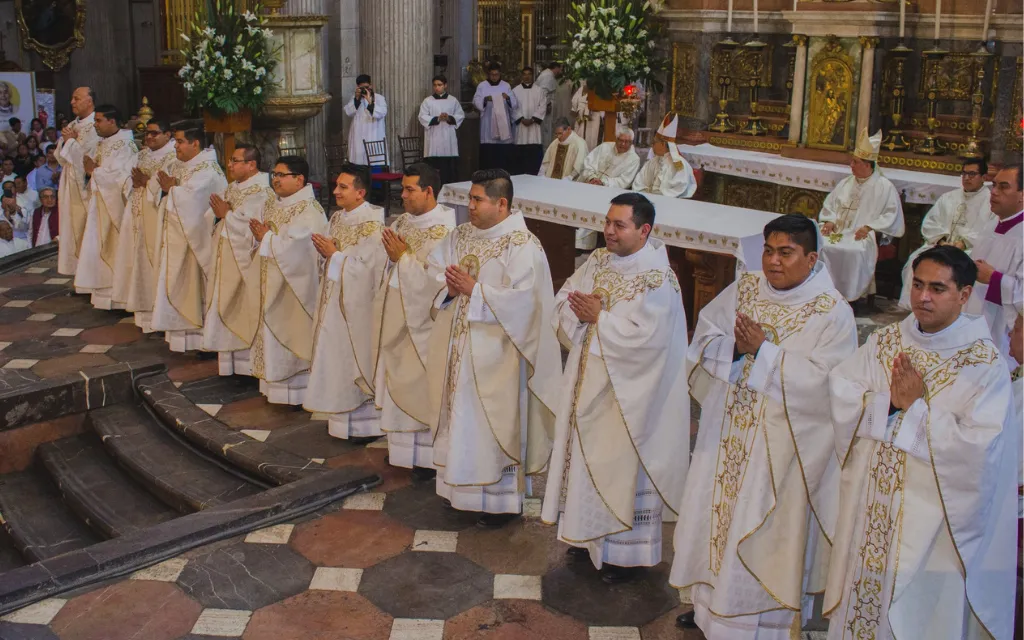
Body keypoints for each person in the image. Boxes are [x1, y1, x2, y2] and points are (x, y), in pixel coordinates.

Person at [669, 214, 857, 637]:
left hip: (781, 451)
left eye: (785, 253)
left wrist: (765, 353)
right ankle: (707, 609)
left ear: (811, 258)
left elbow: (831, 388)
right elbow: (706, 334)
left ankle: (753, 623)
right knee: (713, 517)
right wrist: (735, 348)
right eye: (769, 251)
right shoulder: (748, 286)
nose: (773, 262)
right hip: (727, 431)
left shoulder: (833, 313)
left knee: (761, 530)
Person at [826, 245, 1016, 640]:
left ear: (964, 295)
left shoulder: (984, 364)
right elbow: (843, 387)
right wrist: (888, 404)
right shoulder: (886, 340)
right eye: (917, 285)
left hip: (933, 524)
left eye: (938, 288)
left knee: (918, 617)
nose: (923, 297)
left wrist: (915, 410)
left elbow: (981, 448)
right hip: (872, 503)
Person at [542, 192, 690, 584]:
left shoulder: (658, 279)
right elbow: (564, 297)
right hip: (586, 383)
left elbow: (653, 343)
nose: (608, 231)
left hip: (628, 399)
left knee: (619, 469)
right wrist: (576, 312)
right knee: (587, 463)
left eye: (618, 225)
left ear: (644, 230)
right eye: (606, 222)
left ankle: (626, 556)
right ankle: (585, 534)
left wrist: (600, 319)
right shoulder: (597, 261)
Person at [427, 168, 561, 527]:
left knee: (491, 423)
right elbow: (435, 269)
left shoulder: (522, 245)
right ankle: (460, 489)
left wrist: (475, 291)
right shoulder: (461, 235)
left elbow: (527, 304)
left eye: (477, 199)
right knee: (460, 417)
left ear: (502, 203)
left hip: (499, 355)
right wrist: (450, 289)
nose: (469, 206)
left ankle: (499, 503)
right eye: (469, 198)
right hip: (460, 346)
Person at [371, 162, 456, 477]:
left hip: (424, 327)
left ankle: (425, 458)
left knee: (421, 385)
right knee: (397, 377)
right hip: (397, 317)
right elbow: (389, 265)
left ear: (429, 191)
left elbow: (438, 283)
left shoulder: (447, 233)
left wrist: (402, 261)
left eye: (409, 189)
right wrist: (396, 263)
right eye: (402, 188)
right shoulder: (404, 223)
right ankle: (402, 451)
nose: (402, 195)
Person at [304, 163, 386, 432]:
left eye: (343, 187)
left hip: (355, 307)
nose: (336, 191)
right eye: (336, 185)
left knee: (351, 357)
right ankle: (338, 417)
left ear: (360, 193)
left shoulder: (372, 224)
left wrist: (334, 255)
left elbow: (368, 270)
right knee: (333, 352)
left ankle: (363, 426)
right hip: (332, 297)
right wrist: (326, 254)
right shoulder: (338, 217)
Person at [248, 156, 328, 405]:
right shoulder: (273, 204)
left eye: (282, 175)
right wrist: (261, 238)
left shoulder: (310, 210)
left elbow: (299, 247)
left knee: (291, 333)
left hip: (294, 290)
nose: (276, 179)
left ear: (299, 179)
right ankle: (273, 388)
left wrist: (268, 239)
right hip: (269, 281)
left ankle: (296, 393)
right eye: (274, 174)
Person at [151, 125, 227, 352]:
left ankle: (199, 339)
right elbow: (165, 193)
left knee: (194, 289)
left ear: (195, 144)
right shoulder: (179, 165)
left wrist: (173, 191)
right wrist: (168, 190)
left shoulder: (208, 170)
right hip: (177, 237)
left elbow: (194, 201)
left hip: (195, 241)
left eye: (180, 141)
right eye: (175, 141)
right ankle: (179, 335)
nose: (176, 146)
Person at [201, 143, 273, 375]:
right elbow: (215, 213)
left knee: (241, 308)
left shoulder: (262, 191)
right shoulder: (233, 187)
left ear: (251, 165)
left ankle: (246, 366)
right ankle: (229, 364)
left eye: (235, 160)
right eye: (230, 160)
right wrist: (220, 214)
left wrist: (227, 215)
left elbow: (250, 225)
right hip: (224, 254)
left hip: (242, 260)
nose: (229, 165)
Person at [817, 129, 904, 302]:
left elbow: (891, 215)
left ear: (867, 165)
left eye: (855, 162)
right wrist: (830, 221)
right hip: (838, 230)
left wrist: (870, 227)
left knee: (853, 252)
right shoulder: (846, 183)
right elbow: (830, 205)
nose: (851, 165)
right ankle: (823, 291)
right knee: (819, 244)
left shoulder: (884, 187)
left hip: (861, 234)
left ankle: (850, 297)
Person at [899, 159, 995, 309]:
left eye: (972, 174)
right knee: (915, 260)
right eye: (964, 174)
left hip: (969, 249)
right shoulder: (949, 197)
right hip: (942, 246)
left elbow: (988, 232)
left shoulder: (990, 202)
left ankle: (948, 310)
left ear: (984, 177)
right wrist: (942, 241)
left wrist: (962, 243)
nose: (967, 178)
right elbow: (931, 222)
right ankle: (918, 307)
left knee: (962, 268)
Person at [73, 105, 137, 310]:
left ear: (112, 121)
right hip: (99, 202)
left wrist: (95, 172)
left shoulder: (126, 146)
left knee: (114, 248)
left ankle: (117, 298)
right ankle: (100, 292)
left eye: (99, 120)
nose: (95, 125)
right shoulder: (102, 143)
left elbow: (122, 177)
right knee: (96, 246)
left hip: (113, 206)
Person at [120, 118, 178, 331]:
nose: (150, 137)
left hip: (155, 215)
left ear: (167, 135)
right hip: (136, 211)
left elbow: (166, 186)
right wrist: (134, 182)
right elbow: (126, 177)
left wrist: (147, 182)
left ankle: (157, 314)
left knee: (153, 260)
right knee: (137, 260)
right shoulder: (142, 154)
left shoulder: (173, 157)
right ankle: (143, 313)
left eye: (155, 133)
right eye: (147, 133)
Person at [966, 164, 1023, 366]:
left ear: (1022, 195)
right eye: (994, 185)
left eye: (1004, 187)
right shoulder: (992, 224)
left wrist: (993, 279)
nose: (994, 192)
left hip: (1005, 332)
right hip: (976, 314)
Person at [56, 87, 99, 277]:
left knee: (85, 228)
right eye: (72, 99)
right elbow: (61, 156)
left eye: (77, 98)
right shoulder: (73, 125)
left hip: (85, 186)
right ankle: (76, 274)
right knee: (70, 228)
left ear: (89, 101)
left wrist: (70, 143)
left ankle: (89, 276)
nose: (72, 102)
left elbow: (88, 160)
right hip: (69, 183)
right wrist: (67, 142)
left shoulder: (97, 125)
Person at [576, 128, 642, 250]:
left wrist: (603, 182)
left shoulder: (634, 159)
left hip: (609, 191)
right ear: (616, 139)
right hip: (588, 183)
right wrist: (592, 177)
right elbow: (588, 163)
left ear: (631, 142)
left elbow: (624, 181)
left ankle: (582, 245)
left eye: (627, 142)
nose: (623, 144)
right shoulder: (604, 147)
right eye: (620, 140)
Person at [631, 113, 697, 199]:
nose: (652, 145)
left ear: (663, 144)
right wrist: (645, 194)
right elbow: (639, 182)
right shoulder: (653, 162)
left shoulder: (680, 165)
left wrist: (657, 196)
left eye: (654, 143)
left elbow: (679, 189)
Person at [418, 75, 464, 189]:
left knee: (449, 169)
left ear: (445, 85)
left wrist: (449, 118)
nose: (437, 88)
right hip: (434, 138)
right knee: (433, 168)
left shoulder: (453, 100)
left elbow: (460, 115)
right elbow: (422, 116)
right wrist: (437, 119)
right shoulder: (428, 101)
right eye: (435, 85)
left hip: (448, 138)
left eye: (439, 85)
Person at [473, 63, 517, 171]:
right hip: (487, 127)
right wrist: (485, 100)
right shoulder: (482, 86)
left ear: (500, 74)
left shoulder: (505, 85)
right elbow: (476, 101)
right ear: (488, 74)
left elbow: (514, 103)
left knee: (502, 159)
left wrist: (507, 98)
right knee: (488, 159)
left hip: (503, 128)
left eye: (496, 74)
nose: (494, 77)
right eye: (492, 74)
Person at [343, 74, 388, 167]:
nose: (365, 90)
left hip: (374, 134)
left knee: (374, 163)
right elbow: (348, 112)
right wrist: (357, 99)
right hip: (358, 136)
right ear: (358, 87)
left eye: (367, 87)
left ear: (370, 85)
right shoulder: (355, 98)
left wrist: (369, 102)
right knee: (358, 163)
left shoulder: (379, 98)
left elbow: (382, 113)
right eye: (362, 88)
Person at [511, 66, 547, 176]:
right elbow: (512, 107)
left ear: (533, 76)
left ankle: (533, 174)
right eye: (524, 74)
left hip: (534, 127)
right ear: (522, 76)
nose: (527, 77)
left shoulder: (539, 90)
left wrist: (533, 119)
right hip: (520, 128)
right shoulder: (515, 91)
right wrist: (521, 119)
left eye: (529, 74)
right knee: (519, 156)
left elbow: (542, 106)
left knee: (533, 154)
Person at [535, 61, 563, 148]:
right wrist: (547, 105)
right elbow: (543, 92)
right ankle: (546, 149)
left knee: (548, 127)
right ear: (556, 68)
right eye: (560, 69)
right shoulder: (547, 76)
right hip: (546, 106)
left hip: (548, 103)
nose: (560, 71)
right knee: (546, 128)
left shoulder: (547, 74)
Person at [570, 82, 603, 152]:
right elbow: (574, 102)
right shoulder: (583, 88)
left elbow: (574, 102)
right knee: (581, 139)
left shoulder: (584, 88)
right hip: (583, 119)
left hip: (594, 118)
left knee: (592, 140)